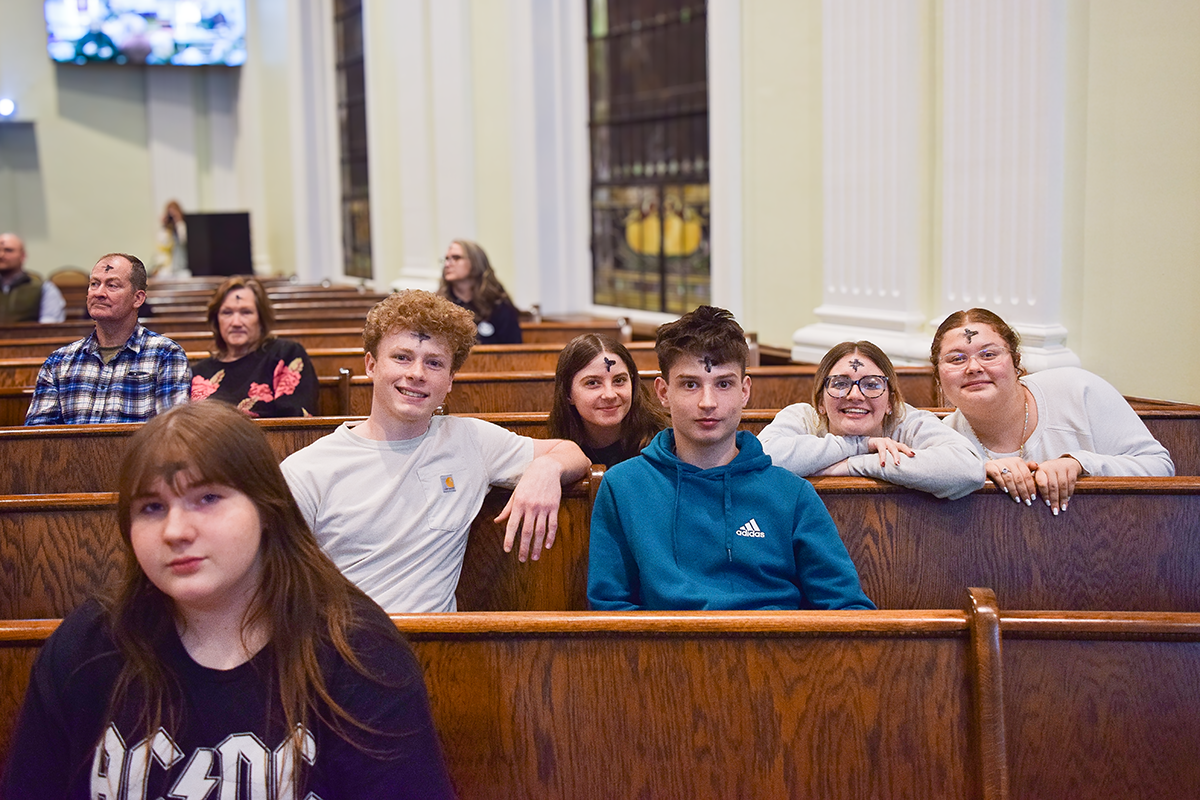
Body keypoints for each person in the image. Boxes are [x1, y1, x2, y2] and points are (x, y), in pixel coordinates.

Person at [0, 402, 455, 799]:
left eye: (208, 498)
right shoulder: (87, 646)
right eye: (151, 507)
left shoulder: (360, 652)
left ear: (267, 509)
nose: (176, 531)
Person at [281, 290, 589, 612]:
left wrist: (546, 468)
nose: (417, 373)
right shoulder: (308, 470)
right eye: (402, 357)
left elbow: (570, 453)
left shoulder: (470, 440)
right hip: (345, 638)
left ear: (451, 379)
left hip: (437, 639)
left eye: (434, 363)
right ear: (371, 365)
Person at [587, 306, 875, 611]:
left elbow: (848, 610)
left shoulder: (793, 494)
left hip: (773, 639)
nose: (708, 402)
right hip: (668, 641)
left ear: (744, 391)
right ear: (663, 392)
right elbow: (610, 610)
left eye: (723, 384)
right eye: (690, 384)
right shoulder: (624, 487)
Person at [931, 308, 1175, 515]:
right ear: (938, 377)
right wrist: (978, 470)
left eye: (989, 354)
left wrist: (1079, 463)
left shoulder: (1077, 390)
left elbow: (1160, 467)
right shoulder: (942, 440)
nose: (973, 367)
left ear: (1016, 362)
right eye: (956, 359)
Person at [758, 341, 984, 499]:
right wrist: (862, 445)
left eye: (872, 384)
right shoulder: (804, 417)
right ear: (820, 402)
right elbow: (762, 458)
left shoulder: (906, 421)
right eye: (840, 383)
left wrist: (850, 465)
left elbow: (969, 469)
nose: (855, 395)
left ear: (890, 402)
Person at [24, 252, 190, 425]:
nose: (99, 293)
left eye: (112, 285)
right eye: (94, 284)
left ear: (138, 298)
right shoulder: (59, 361)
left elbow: (171, 431)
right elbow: (39, 434)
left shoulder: (166, 354)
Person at [190, 276, 318, 417]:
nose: (236, 322)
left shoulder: (286, 354)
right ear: (216, 320)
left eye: (246, 312)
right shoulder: (198, 373)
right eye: (227, 313)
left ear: (261, 319)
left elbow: (296, 418)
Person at [547, 334, 669, 467]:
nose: (610, 395)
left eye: (619, 380)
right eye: (592, 383)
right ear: (568, 394)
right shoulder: (551, 445)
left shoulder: (666, 444)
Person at [437, 239, 522, 344]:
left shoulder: (498, 304)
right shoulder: (439, 305)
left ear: (475, 262)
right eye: (446, 259)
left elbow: (514, 348)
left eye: (456, 258)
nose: (447, 264)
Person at [0, 232, 67, 323]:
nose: (1, 255)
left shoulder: (44, 288)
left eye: (8, 250)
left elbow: (50, 324)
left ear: (22, 256)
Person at [152, 199, 189, 277]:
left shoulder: (183, 226)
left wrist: (178, 221)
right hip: (167, 269)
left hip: (182, 266)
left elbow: (184, 240)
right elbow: (162, 242)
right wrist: (164, 226)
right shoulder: (166, 230)